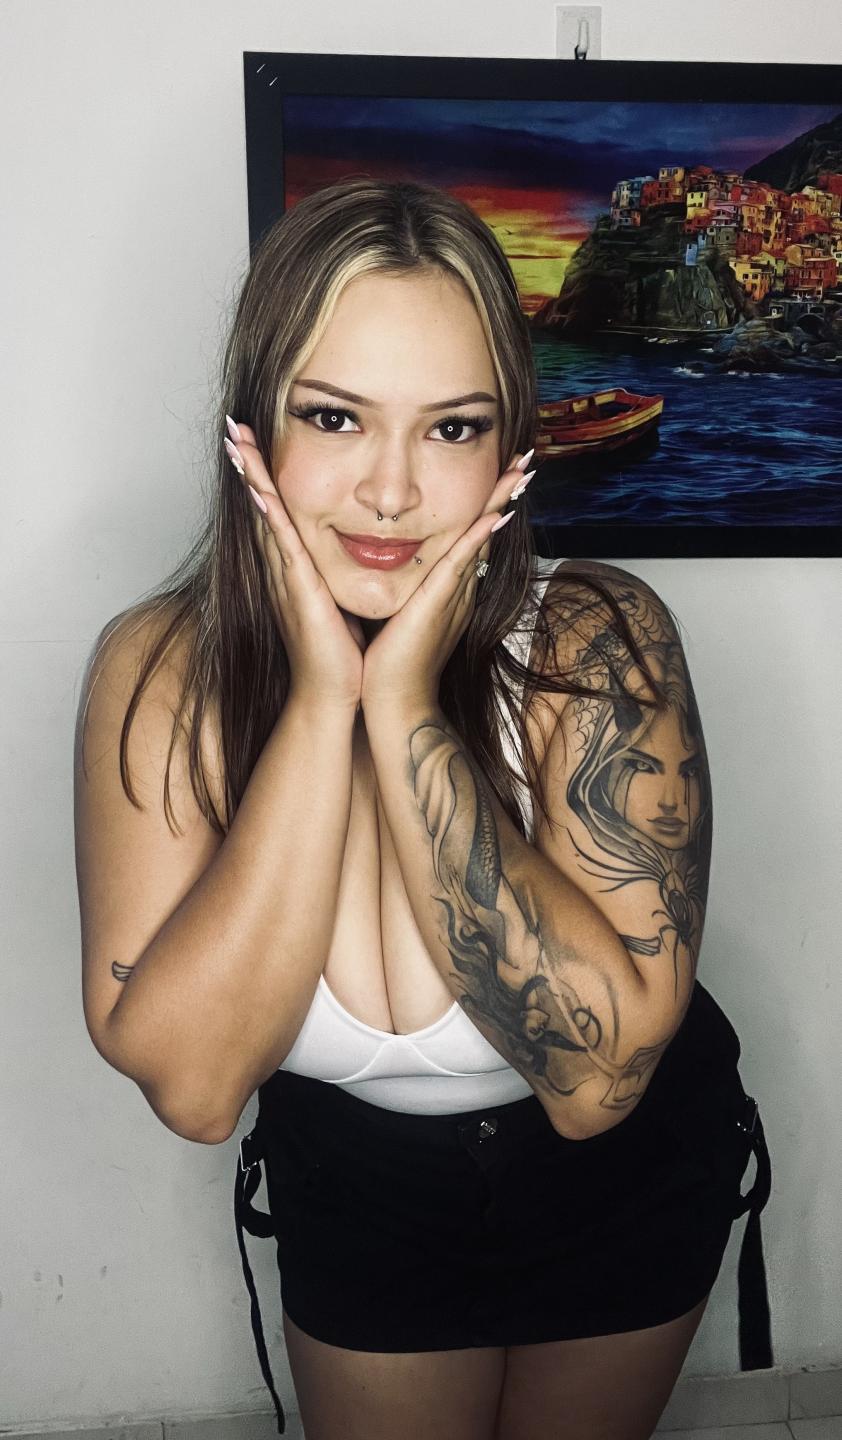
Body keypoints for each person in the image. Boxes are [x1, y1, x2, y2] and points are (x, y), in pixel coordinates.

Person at [74, 178, 771, 1440]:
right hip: (361, 1194)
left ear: (508, 446)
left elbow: (594, 1086)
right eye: (334, 416)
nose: (391, 493)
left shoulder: (597, 639)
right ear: (254, 421)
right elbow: (196, 1089)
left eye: (450, 428)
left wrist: (401, 707)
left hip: (622, 1179)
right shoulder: (162, 671)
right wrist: (316, 704)